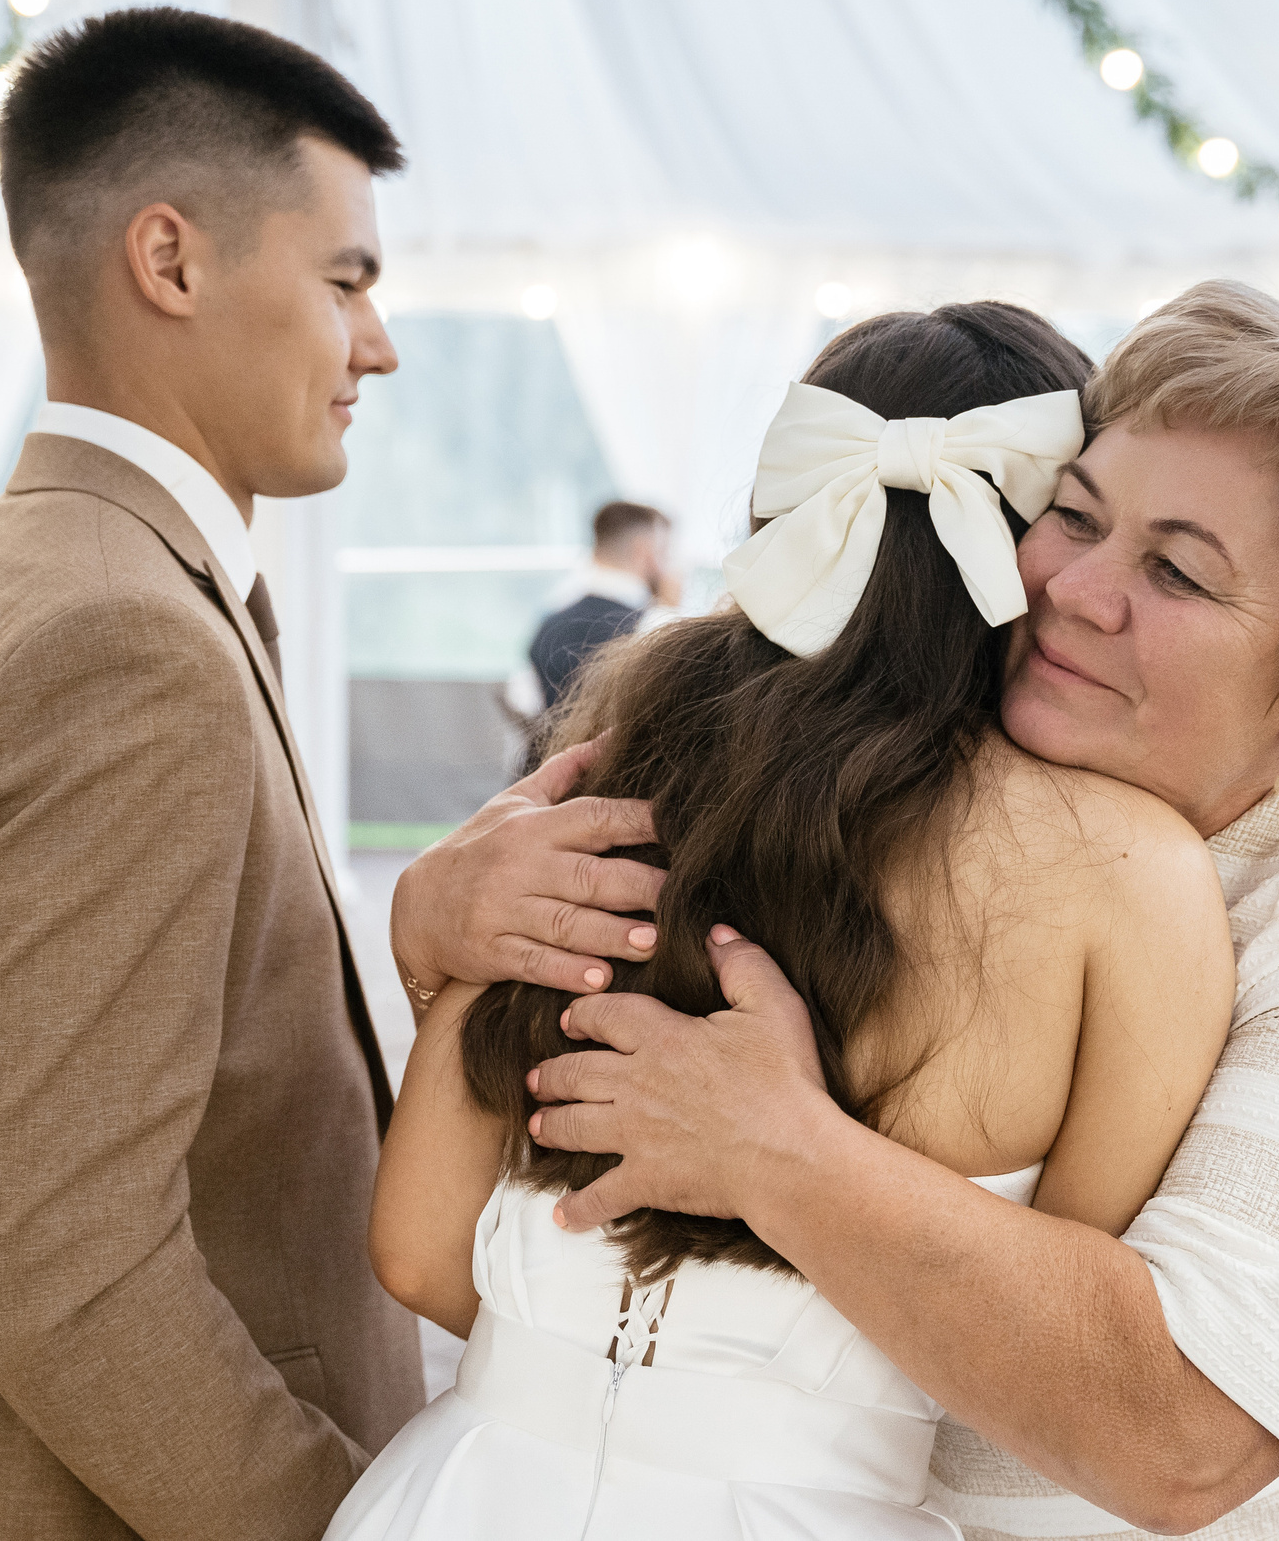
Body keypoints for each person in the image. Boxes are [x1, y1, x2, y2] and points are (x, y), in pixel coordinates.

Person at [391, 282, 1279, 1538]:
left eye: (1176, 573)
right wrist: (438, 934)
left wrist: (780, 1149)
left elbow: (1183, 1444)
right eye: (1073, 516)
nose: (1072, 588)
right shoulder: (911, 765)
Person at [337, 303, 1230, 1537]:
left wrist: (437, 966)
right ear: (1046, 546)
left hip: (467, 1494)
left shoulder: (611, 765)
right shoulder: (1129, 874)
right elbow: (1058, 1359)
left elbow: (420, 1256)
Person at [0, 7, 422, 1539]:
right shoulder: (121, 639)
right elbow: (65, 1262)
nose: (378, 342)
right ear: (172, 259)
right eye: (347, 279)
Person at [528, 500, 677, 708]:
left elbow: (522, 702)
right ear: (644, 551)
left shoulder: (548, 622)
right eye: (666, 553)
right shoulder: (655, 629)